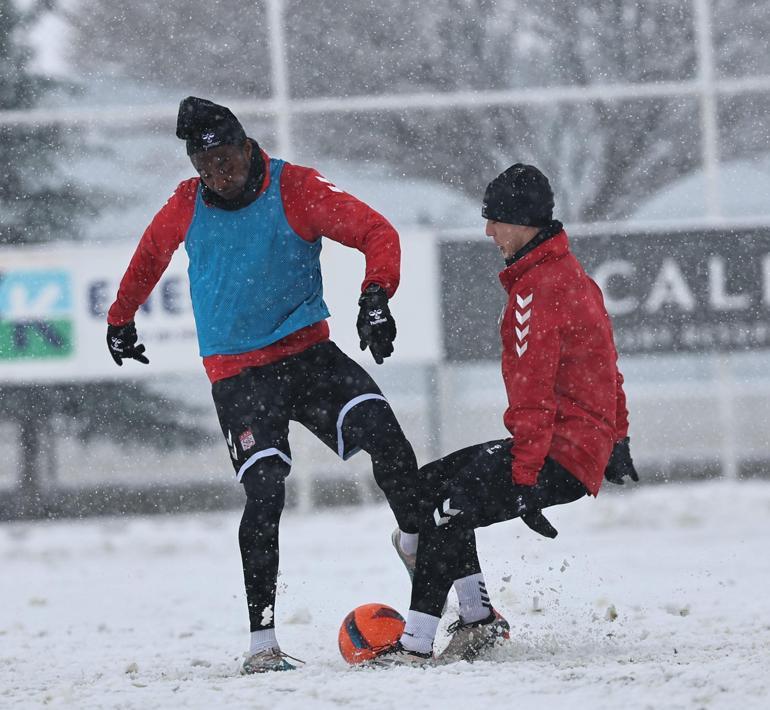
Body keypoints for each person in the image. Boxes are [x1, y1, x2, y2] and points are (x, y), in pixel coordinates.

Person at [106, 97, 421, 673]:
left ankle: (416, 545)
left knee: (391, 441)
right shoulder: (186, 203)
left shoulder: (295, 188)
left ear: (246, 146)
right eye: (204, 168)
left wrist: (376, 294)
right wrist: (120, 318)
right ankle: (262, 646)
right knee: (266, 491)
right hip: (238, 374)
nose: (216, 177)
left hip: (308, 355)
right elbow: (150, 255)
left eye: (224, 160)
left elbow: (377, 231)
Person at [379, 163, 638, 666]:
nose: (488, 231)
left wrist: (523, 478)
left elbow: (532, 394)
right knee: (423, 490)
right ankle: (478, 620)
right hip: (569, 446)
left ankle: (414, 648)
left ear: (524, 223)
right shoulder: (573, 275)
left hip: (552, 453)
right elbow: (608, 367)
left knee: (443, 514)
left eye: (494, 220)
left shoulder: (536, 291)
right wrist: (618, 438)